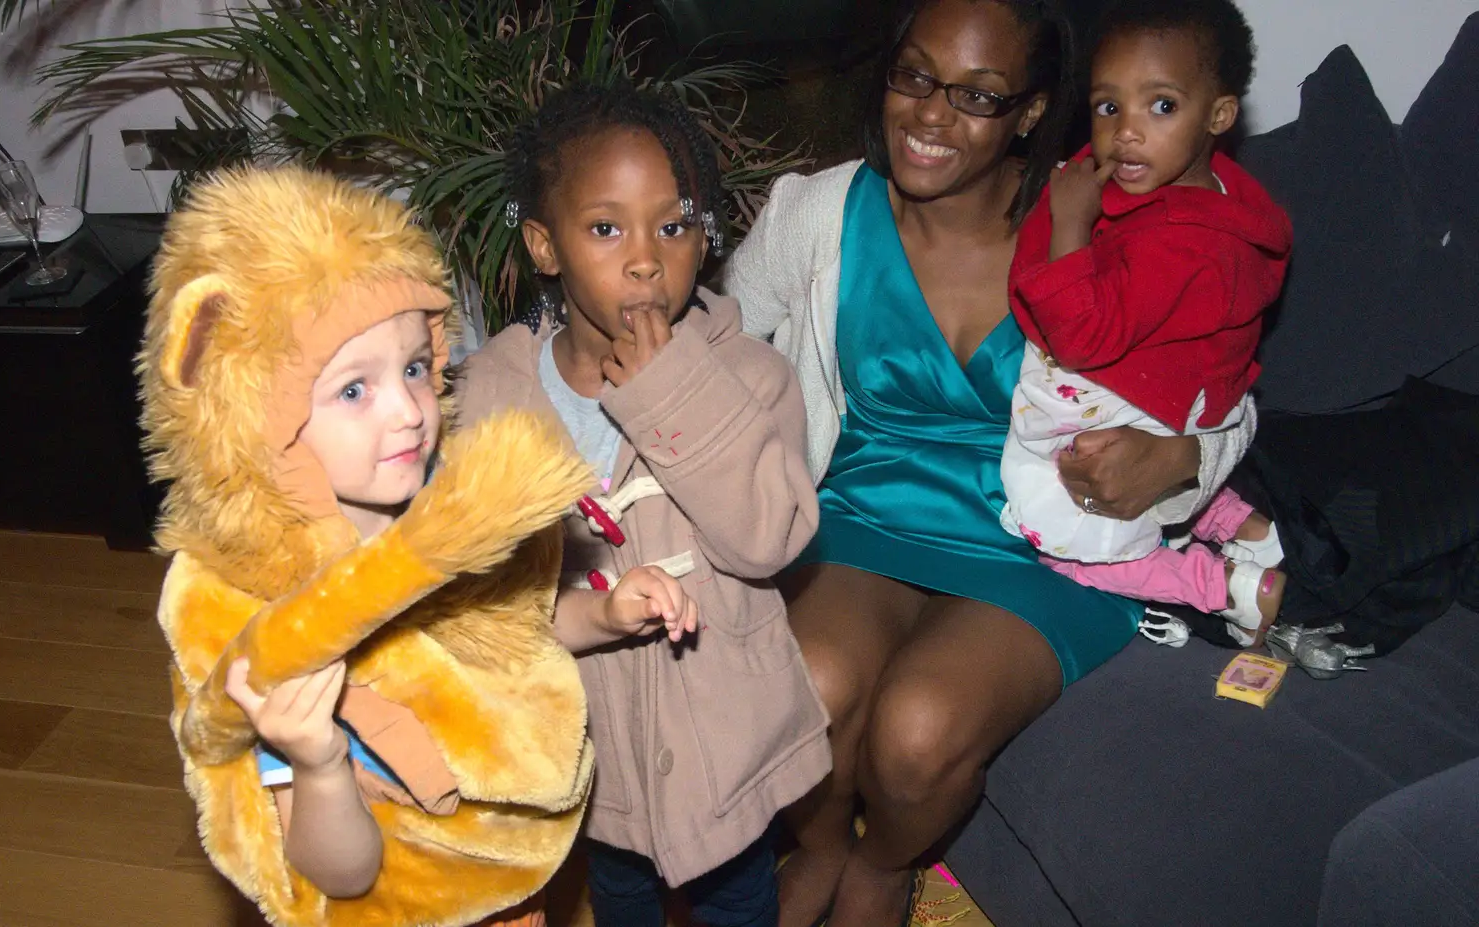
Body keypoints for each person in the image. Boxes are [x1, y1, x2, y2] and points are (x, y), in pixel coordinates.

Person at [721, 1, 1256, 924]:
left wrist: (1179, 458)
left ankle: (885, 867)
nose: (931, 115)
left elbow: (1227, 400)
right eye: (915, 76)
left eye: (977, 94)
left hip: (1040, 544)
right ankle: (814, 844)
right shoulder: (819, 211)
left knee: (917, 729)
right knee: (807, 686)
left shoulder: (1114, 225)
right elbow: (723, 344)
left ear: (1032, 111)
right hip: (862, 511)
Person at [138, 164, 679, 927]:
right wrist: (317, 757)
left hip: (507, 893)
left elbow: (515, 633)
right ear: (254, 420)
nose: (409, 411)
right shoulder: (276, 623)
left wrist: (607, 616)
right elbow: (341, 874)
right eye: (353, 389)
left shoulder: (441, 510)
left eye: (416, 367)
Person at [457, 80, 832, 927]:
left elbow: (770, 538)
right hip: (586, 745)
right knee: (619, 889)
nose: (643, 257)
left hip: (721, 735)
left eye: (672, 225)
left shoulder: (752, 376)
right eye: (604, 227)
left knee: (738, 895)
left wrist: (675, 392)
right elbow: (479, 586)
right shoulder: (492, 394)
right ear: (544, 246)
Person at [1000, 0, 1291, 645]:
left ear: (1218, 115)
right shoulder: (1220, 197)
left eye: (1161, 106)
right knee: (1146, 461)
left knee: (1051, 529)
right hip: (1172, 401)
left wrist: (1070, 225)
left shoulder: (1179, 242)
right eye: (1109, 107)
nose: (1126, 131)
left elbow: (1078, 337)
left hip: (1103, 399)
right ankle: (1232, 518)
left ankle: (1223, 588)